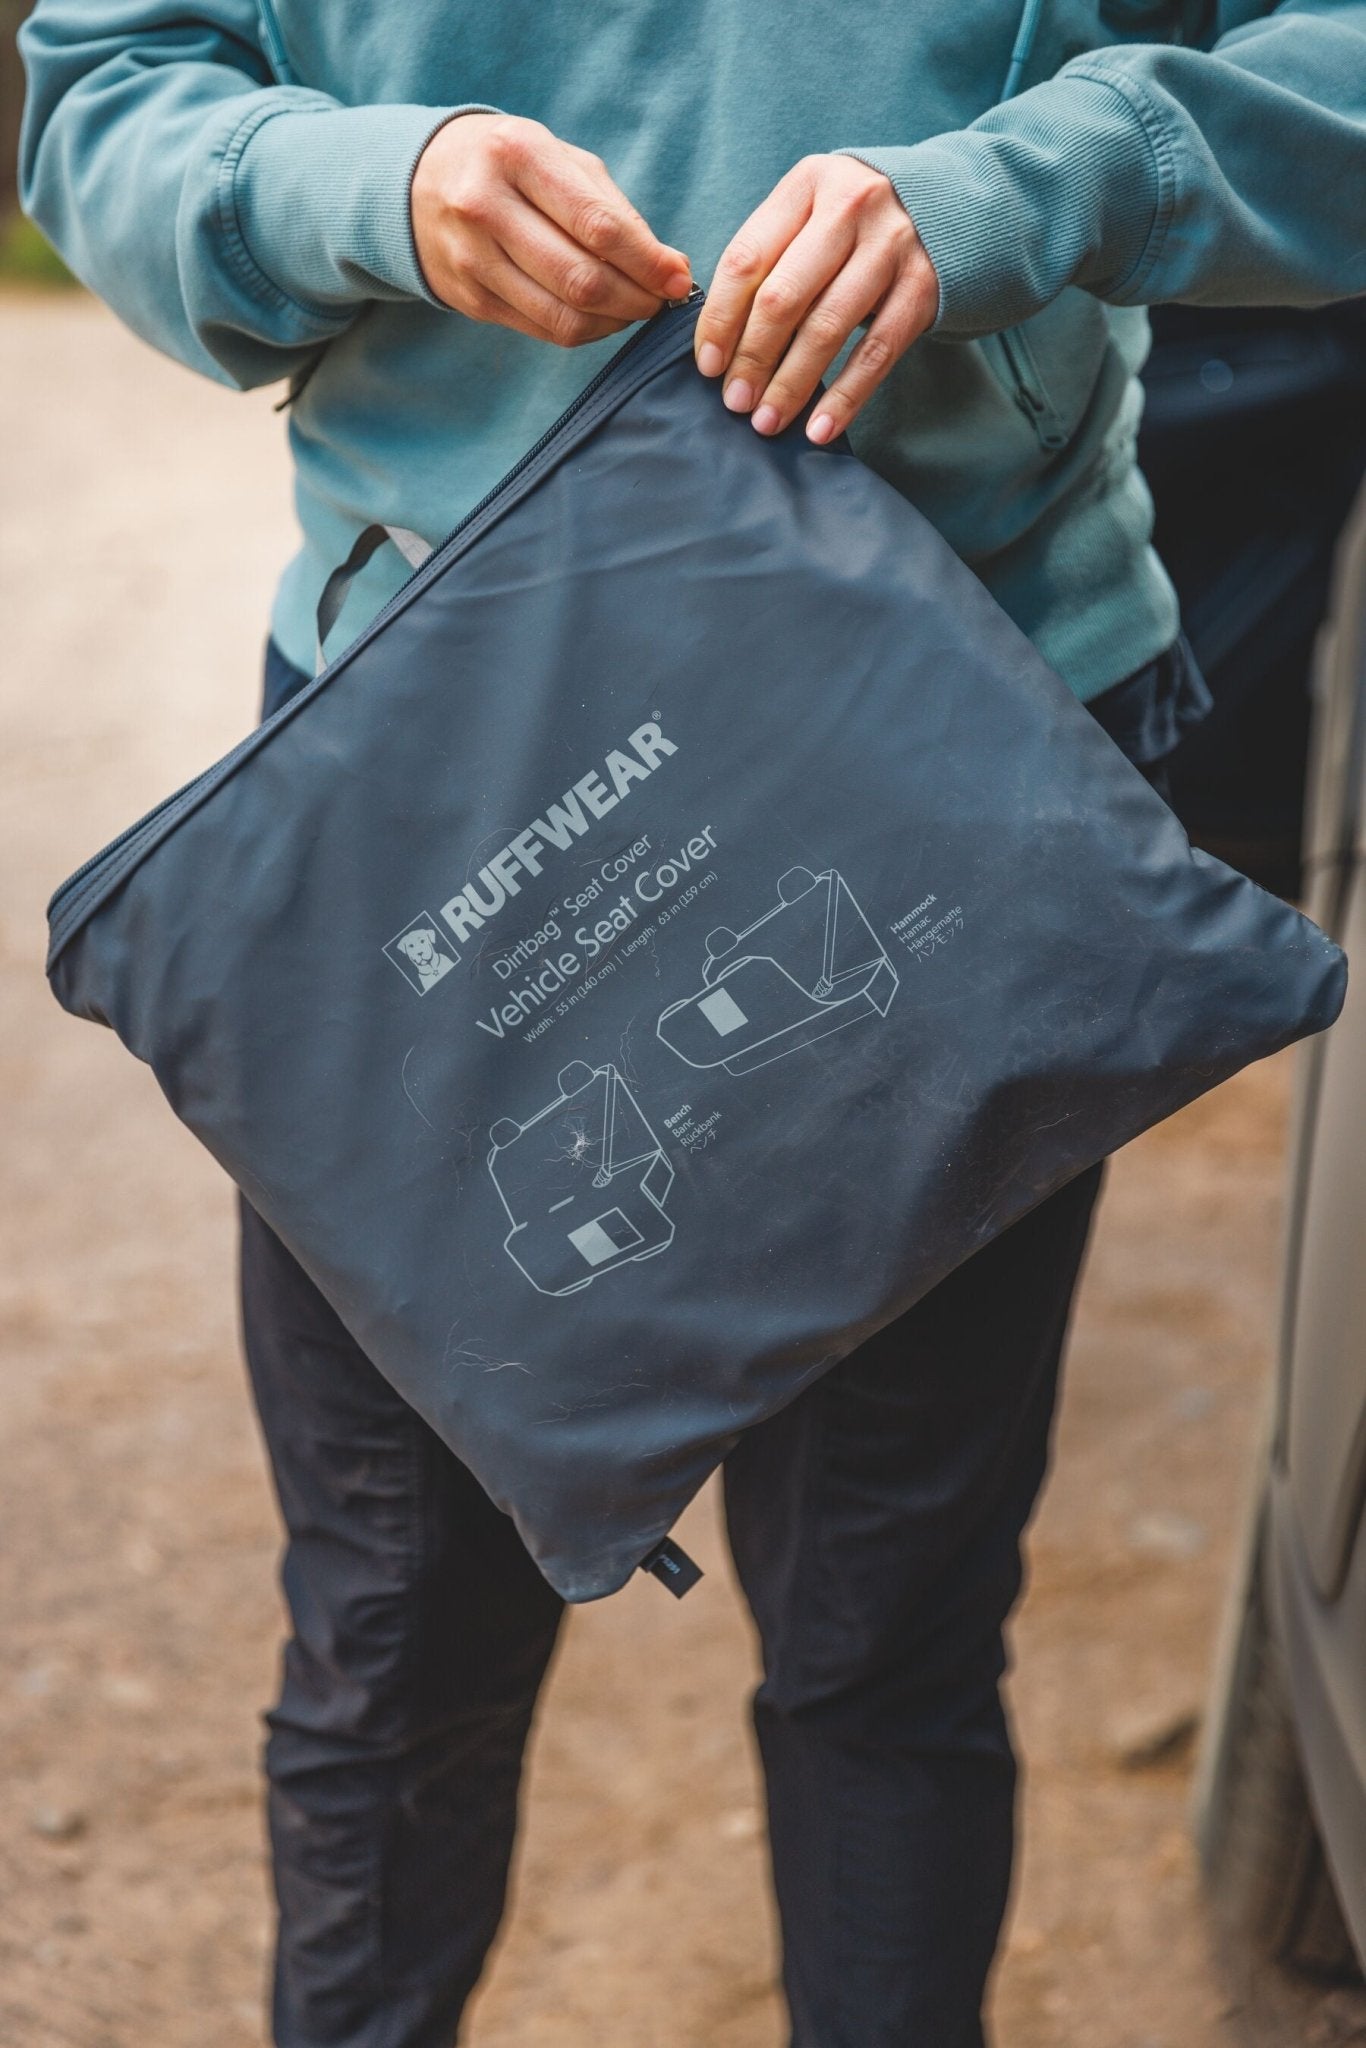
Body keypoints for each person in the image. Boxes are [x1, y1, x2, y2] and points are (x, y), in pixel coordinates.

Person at [18, 5, 1366, 2044]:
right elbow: (104, 99)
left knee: (880, 1648)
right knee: (392, 1651)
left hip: (949, 726)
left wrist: (1030, 182)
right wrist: (368, 188)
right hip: (442, 766)